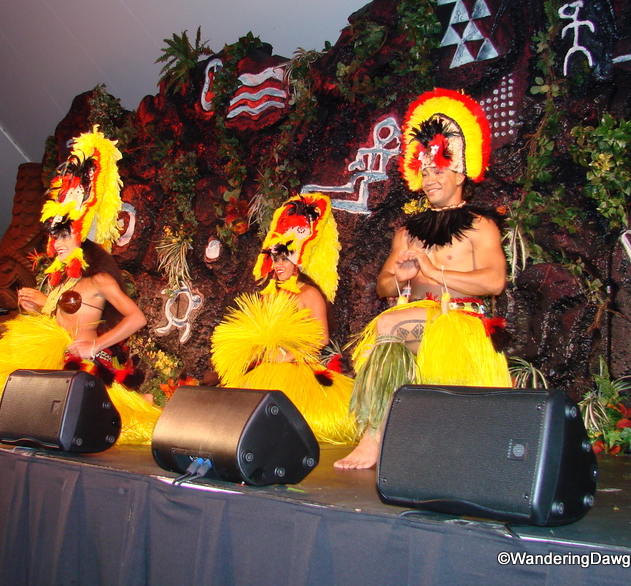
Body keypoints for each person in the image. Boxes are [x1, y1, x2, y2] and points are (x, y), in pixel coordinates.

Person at [335, 89, 512, 470]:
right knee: (380, 335)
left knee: (388, 327)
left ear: (460, 173)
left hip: (459, 322)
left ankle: (374, 438)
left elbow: (495, 282)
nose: (429, 179)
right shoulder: (407, 232)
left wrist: (434, 273)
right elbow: (383, 286)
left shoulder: (480, 226)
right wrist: (400, 279)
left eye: (438, 171)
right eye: (425, 172)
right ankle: (378, 434)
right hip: (413, 316)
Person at [0, 126, 161, 444]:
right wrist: (38, 306)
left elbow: (137, 318)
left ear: (81, 236)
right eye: (55, 237)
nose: (58, 243)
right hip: (55, 360)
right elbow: (62, 322)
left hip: (82, 365)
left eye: (64, 235)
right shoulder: (64, 281)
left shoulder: (100, 279)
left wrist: (95, 346)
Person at [211, 194, 358, 444]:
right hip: (265, 368)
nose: (278, 265)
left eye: (284, 259)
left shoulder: (309, 294)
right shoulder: (269, 294)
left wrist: (287, 356)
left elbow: (321, 338)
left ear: (297, 261)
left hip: (297, 368)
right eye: (275, 259)